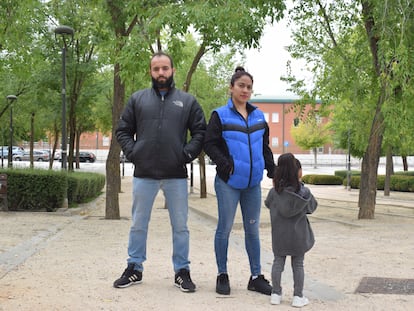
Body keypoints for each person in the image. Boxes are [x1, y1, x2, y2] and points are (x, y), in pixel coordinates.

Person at [114, 51, 206, 293]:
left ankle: (182, 271)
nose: (161, 73)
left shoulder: (187, 102)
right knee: (138, 224)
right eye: (156, 69)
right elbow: (122, 130)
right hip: (144, 174)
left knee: (181, 226)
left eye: (165, 68)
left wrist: (185, 155)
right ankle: (134, 268)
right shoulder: (137, 99)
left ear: (173, 70)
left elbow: (200, 133)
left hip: (175, 175)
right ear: (151, 72)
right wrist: (135, 153)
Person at [204, 66, 276, 296]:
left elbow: (264, 147)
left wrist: (273, 171)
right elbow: (210, 144)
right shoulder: (220, 115)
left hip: (253, 184)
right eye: (241, 86)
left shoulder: (258, 116)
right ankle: (222, 274)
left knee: (252, 230)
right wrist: (224, 163)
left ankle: (256, 277)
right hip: (229, 183)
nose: (245, 90)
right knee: (224, 229)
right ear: (232, 88)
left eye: (249, 87)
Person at [264, 153, 318, 307]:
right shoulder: (304, 192)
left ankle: (276, 293)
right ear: (296, 171)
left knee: (278, 262)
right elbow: (312, 207)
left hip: (279, 234)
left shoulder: (274, 193)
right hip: (299, 235)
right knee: (298, 264)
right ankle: (297, 296)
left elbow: (268, 204)